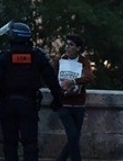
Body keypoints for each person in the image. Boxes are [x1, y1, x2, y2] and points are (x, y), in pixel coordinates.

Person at [0, 21, 64, 161]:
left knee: (10, 144)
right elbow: (51, 79)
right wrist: (57, 99)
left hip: (7, 105)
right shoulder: (37, 56)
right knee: (30, 144)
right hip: (28, 104)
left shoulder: (3, 56)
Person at [52, 33, 95, 161]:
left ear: (78, 48)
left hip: (78, 105)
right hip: (63, 104)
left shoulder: (83, 61)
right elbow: (51, 77)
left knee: (75, 137)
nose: (67, 47)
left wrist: (73, 81)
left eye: (71, 45)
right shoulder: (60, 60)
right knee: (72, 135)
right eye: (67, 44)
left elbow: (89, 77)